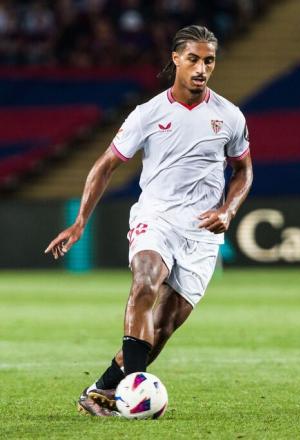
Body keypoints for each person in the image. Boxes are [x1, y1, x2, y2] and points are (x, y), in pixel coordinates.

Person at [44, 25, 253, 417]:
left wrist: (228, 210)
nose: (201, 68)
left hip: (202, 230)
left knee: (163, 327)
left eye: (209, 60)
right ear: (175, 59)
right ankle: (136, 391)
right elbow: (105, 165)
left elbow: (244, 170)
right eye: (193, 59)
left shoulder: (229, 116)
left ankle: (102, 389)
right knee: (145, 281)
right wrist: (79, 222)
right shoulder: (148, 114)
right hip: (155, 215)